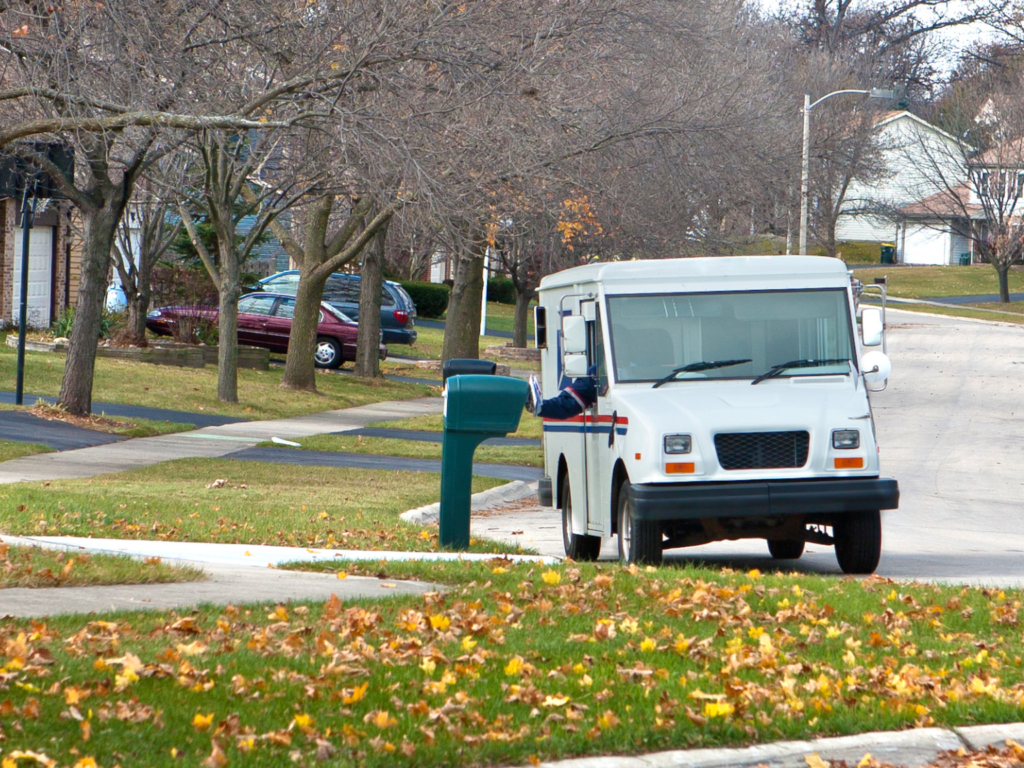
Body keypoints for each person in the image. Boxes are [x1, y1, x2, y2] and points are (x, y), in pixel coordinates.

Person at [526, 369, 597, 419]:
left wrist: (539, 406)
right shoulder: (599, 370)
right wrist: (540, 406)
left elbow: (569, 403)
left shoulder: (600, 369)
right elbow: (570, 402)